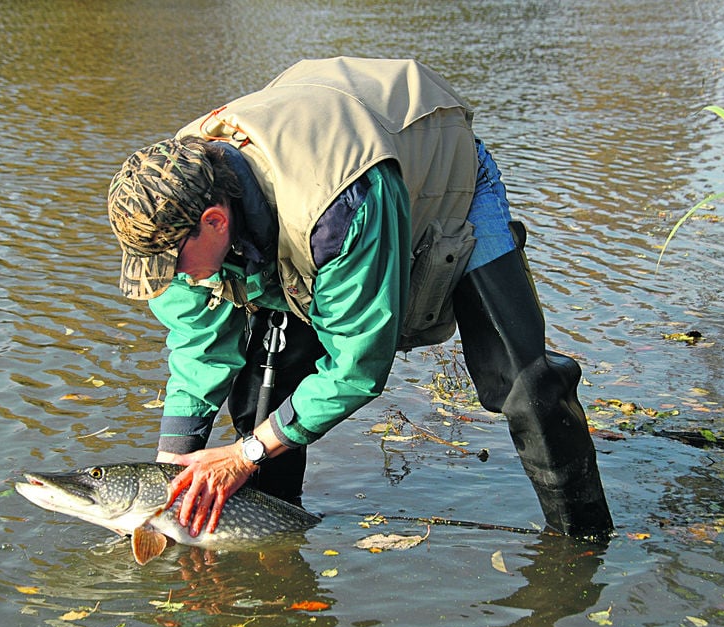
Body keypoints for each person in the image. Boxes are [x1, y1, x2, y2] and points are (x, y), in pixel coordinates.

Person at [106, 57, 613, 539]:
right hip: (309, 172)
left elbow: (359, 366)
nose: (170, 279)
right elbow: (199, 345)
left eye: (172, 266)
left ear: (215, 222)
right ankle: (280, 539)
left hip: (437, 168)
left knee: (521, 381)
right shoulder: (167, 203)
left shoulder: (338, 214)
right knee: (267, 375)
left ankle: (586, 539)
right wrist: (168, 476)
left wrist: (245, 454)